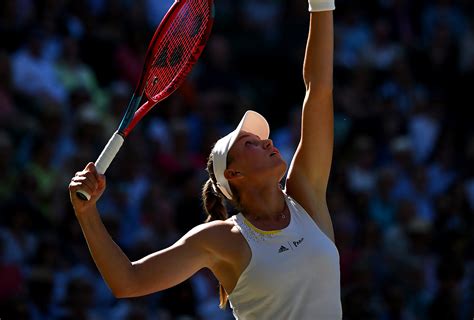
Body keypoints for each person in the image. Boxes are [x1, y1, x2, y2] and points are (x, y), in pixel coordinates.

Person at [68, 0, 341, 318]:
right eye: (251, 143)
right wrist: (87, 214)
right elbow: (128, 282)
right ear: (234, 172)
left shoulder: (304, 198)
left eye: (262, 139)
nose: (267, 142)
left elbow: (318, 90)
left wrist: (320, 4)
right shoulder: (222, 239)